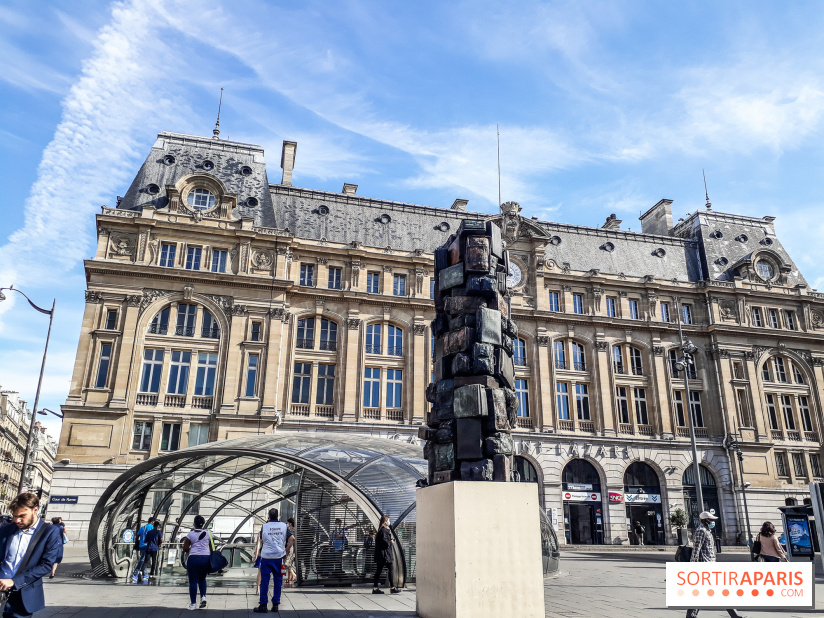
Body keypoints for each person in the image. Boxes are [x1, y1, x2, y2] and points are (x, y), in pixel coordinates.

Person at [0, 492, 62, 618]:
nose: (17, 520)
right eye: (15, 516)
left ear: (35, 510)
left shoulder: (50, 532)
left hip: (22, 594)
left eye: (22, 516)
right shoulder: (6, 529)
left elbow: (45, 565)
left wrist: (14, 581)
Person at [687, 511, 745, 618]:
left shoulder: (707, 531)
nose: (713, 522)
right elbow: (696, 549)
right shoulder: (701, 531)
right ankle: (735, 615)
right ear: (705, 520)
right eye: (711, 520)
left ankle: (691, 614)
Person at [253, 508, 294, 613]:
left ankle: (263, 604)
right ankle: (275, 604)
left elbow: (262, 539)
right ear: (278, 516)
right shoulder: (284, 526)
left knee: (265, 581)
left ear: (269, 516)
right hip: (278, 558)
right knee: (278, 581)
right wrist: (286, 550)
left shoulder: (264, 526)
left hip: (266, 557)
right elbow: (292, 539)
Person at [182, 515, 212, 610]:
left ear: (194, 524)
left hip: (194, 559)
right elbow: (211, 548)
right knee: (202, 579)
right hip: (205, 558)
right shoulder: (208, 533)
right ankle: (203, 596)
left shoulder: (190, 535)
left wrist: (192, 548)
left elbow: (185, 548)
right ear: (203, 524)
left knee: (193, 581)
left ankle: (193, 604)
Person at [372, 515, 400, 595]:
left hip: (381, 555)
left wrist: (389, 540)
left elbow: (383, 541)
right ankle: (392, 588)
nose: (389, 522)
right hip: (385, 555)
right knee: (391, 569)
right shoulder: (384, 531)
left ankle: (375, 588)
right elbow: (385, 543)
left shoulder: (381, 530)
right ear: (385, 521)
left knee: (379, 571)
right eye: (388, 520)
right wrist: (391, 542)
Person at [131, 517, 155, 582]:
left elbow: (137, 535)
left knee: (143, 559)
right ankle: (135, 574)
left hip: (141, 545)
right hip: (147, 546)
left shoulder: (142, 527)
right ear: (152, 522)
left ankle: (145, 574)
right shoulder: (151, 527)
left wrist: (138, 541)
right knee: (143, 560)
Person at [284, 518, 296, 585]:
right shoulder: (293, 529)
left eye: (287, 523)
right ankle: (289, 579)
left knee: (287, 563)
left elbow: (293, 539)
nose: (287, 524)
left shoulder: (292, 530)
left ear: (290, 523)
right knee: (290, 564)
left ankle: (293, 574)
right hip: (292, 547)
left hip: (290, 547)